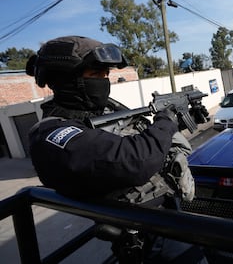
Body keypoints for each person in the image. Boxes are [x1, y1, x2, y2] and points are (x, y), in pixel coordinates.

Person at [26, 35, 206, 263]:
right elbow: (137, 160)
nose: (103, 81)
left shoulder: (102, 113)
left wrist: (180, 120)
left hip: (167, 214)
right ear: (64, 80)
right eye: (94, 74)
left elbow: (146, 138)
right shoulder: (51, 134)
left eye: (105, 74)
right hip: (145, 235)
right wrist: (166, 120)